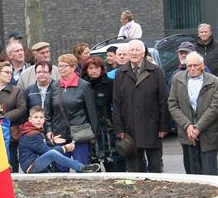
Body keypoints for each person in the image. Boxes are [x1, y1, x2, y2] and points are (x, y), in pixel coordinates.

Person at [113, 39, 170, 173]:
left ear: (143, 53)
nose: (134, 53)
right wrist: (119, 128)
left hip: (152, 126)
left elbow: (163, 100)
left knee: (155, 165)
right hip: (129, 127)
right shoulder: (120, 73)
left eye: (137, 50)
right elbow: (116, 103)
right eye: (131, 50)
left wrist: (164, 125)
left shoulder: (155, 71)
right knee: (135, 167)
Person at [45, 54, 98, 170]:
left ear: (73, 67)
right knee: (60, 169)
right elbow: (48, 110)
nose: (60, 69)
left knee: (82, 167)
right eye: (59, 66)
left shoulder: (83, 85)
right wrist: (49, 129)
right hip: (60, 134)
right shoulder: (54, 86)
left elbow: (92, 112)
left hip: (79, 134)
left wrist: (94, 134)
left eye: (64, 66)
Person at [168, 52, 218, 175]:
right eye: (189, 66)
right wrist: (188, 125)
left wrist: (198, 127)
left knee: (209, 173)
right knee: (191, 173)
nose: (192, 69)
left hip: (208, 134)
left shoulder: (214, 81)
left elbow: (215, 107)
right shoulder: (178, 79)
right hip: (187, 134)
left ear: (202, 65)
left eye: (195, 65)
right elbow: (173, 104)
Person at [19, 106, 100, 173]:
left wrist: (52, 141)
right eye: (36, 117)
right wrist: (64, 148)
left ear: (44, 120)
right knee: (52, 153)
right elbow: (46, 151)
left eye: (41, 117)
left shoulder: (33, 131)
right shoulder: (32, 134)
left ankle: (81, 167)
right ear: (30, 120)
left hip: (35, 163)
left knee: (52, 153)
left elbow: (40, 146)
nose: (39, 120)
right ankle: (81, 168)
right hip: (30, 166)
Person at [82, 56, 125, 172]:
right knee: (93, 163)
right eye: (90, 68)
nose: (94, 71)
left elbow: (117, 106)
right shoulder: (82, 85)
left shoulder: (110, 84)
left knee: (112, 161)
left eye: (96, 68)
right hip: (88, 128)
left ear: (102, 69)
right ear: (86, 70)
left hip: (107, 129)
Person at [0, 61, 27, 172]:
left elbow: (21, 108)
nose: (9, 75)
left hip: (11, 132)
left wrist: (5, 117)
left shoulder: (16, 91)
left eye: (11, 73)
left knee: (11, 161)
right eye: (6, 72)